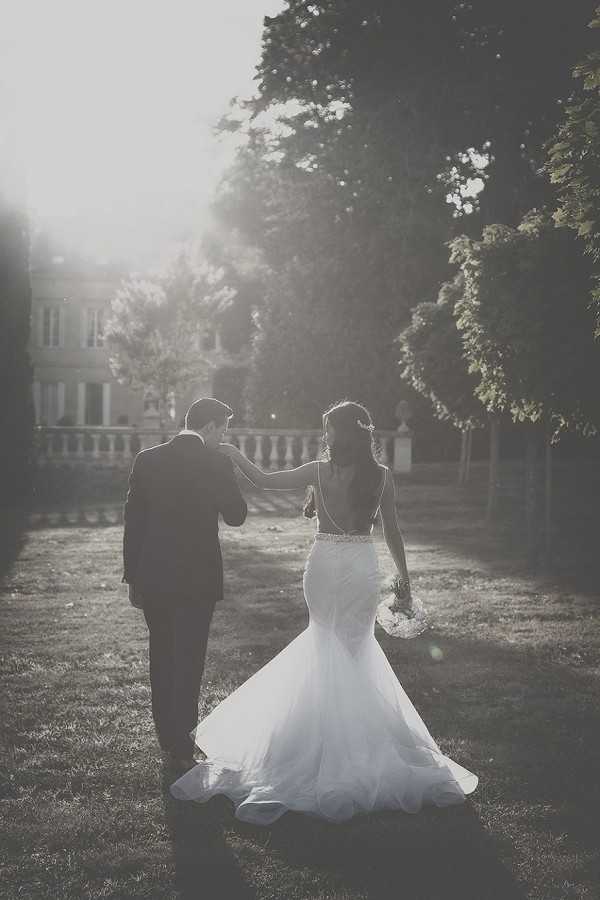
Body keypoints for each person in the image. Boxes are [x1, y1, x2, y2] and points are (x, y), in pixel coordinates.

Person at [170, 400, 477, 822]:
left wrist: (233, 452)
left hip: (326, 564)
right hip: (361, 566)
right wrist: (403, 581)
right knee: (352, 650)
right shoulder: (382, 477)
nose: (325, 436)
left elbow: (263, 479)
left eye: (329, 429)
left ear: (343, 433)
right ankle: (357, 745)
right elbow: (393, 530)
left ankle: (317, 747)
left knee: (325, 643)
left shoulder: (318, 471)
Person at [123, 398, 247, 775]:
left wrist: (132, 576)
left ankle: (168, 739)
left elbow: (134, 525)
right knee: (190, 659)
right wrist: (228, 470)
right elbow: (237, 516)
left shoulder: (147, 459)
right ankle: (183, 744)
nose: (224, 436)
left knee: (161, 655)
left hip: (155, 575)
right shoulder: (216, 462)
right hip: (198, 577)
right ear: (209, 427)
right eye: (223, 429)